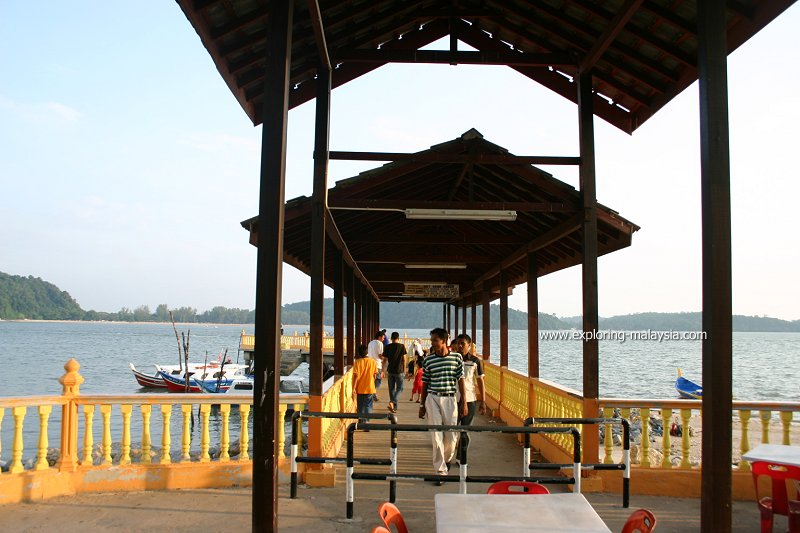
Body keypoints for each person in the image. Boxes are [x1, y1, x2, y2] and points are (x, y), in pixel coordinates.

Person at [419, 327, 467, 484]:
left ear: (444, 341)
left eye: (435, 340)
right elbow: (425, 383)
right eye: (432, 340)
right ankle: (440, 471)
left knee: (451, 436)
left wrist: (464, 402)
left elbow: (461, 380)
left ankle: (446, 461)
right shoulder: (428, 360)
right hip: (433, 398)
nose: (432, 343)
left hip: (450, 399)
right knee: (436, 435)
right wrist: (422, 404)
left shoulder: (457, 358)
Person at [454, 333, 486, 459]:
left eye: (463, 343)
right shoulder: (452, 359)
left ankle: (461, 457)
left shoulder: (475, 361)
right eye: (458, 343)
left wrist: (483, 401)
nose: (460, 346)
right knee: (450, 431)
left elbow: (480, 381)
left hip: (470, 399)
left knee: (465, 431)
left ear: (469, 345)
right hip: (453, 399)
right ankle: (448, 455)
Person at [382, 331, 407, 413]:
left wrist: (383, 370)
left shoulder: (387, 347)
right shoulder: (402, 346)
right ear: (398, 338)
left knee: (391, 389)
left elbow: (385, 360)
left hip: (390, 371)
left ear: (391, 338)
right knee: (400, 388)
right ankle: (393, 402)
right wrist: (405, 370)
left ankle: (394, 406)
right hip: (399, 371)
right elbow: (404, 359)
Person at [351, 344, 377, 422]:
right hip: (370, 387)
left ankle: (361, 421)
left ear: (359, 353)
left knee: (360, 406)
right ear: (367, 352)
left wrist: (354, 388)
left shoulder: (357, 362)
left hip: (360, 388)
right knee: (368, 406)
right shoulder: (373, 362)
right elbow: (375, 376)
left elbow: (356, 376)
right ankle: (367, 422)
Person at [367, 331, 385, 401]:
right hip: (377, 365)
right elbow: (380, 355)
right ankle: (372, 394)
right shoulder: (380, 343)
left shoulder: (370, 343)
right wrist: (384, 358)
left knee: (372, 380)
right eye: (383, 337)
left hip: (370, 364)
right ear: (379, 337)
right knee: (378, 380)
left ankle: (373, 394)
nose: (383, 339)